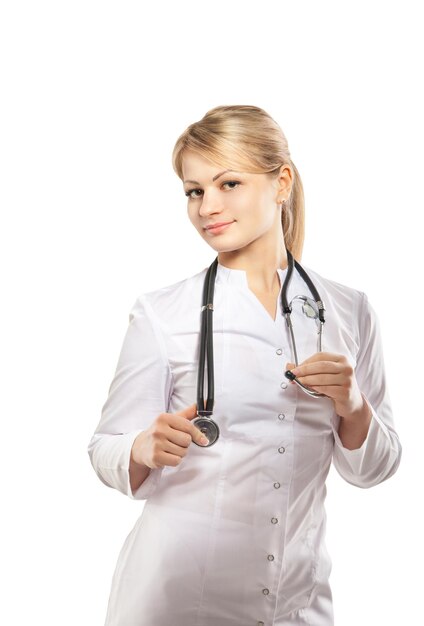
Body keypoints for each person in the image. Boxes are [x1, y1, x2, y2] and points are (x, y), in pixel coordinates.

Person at [87, 104, 402, 626]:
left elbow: (376, 468)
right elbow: (104, 448)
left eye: (228, 183)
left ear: (281, 183)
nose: (207, 205)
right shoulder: (163, 314)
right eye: (194, 191)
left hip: (298, 601)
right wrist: (143, 446)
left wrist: (353, 406)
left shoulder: (348, 310)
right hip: (177, 600)